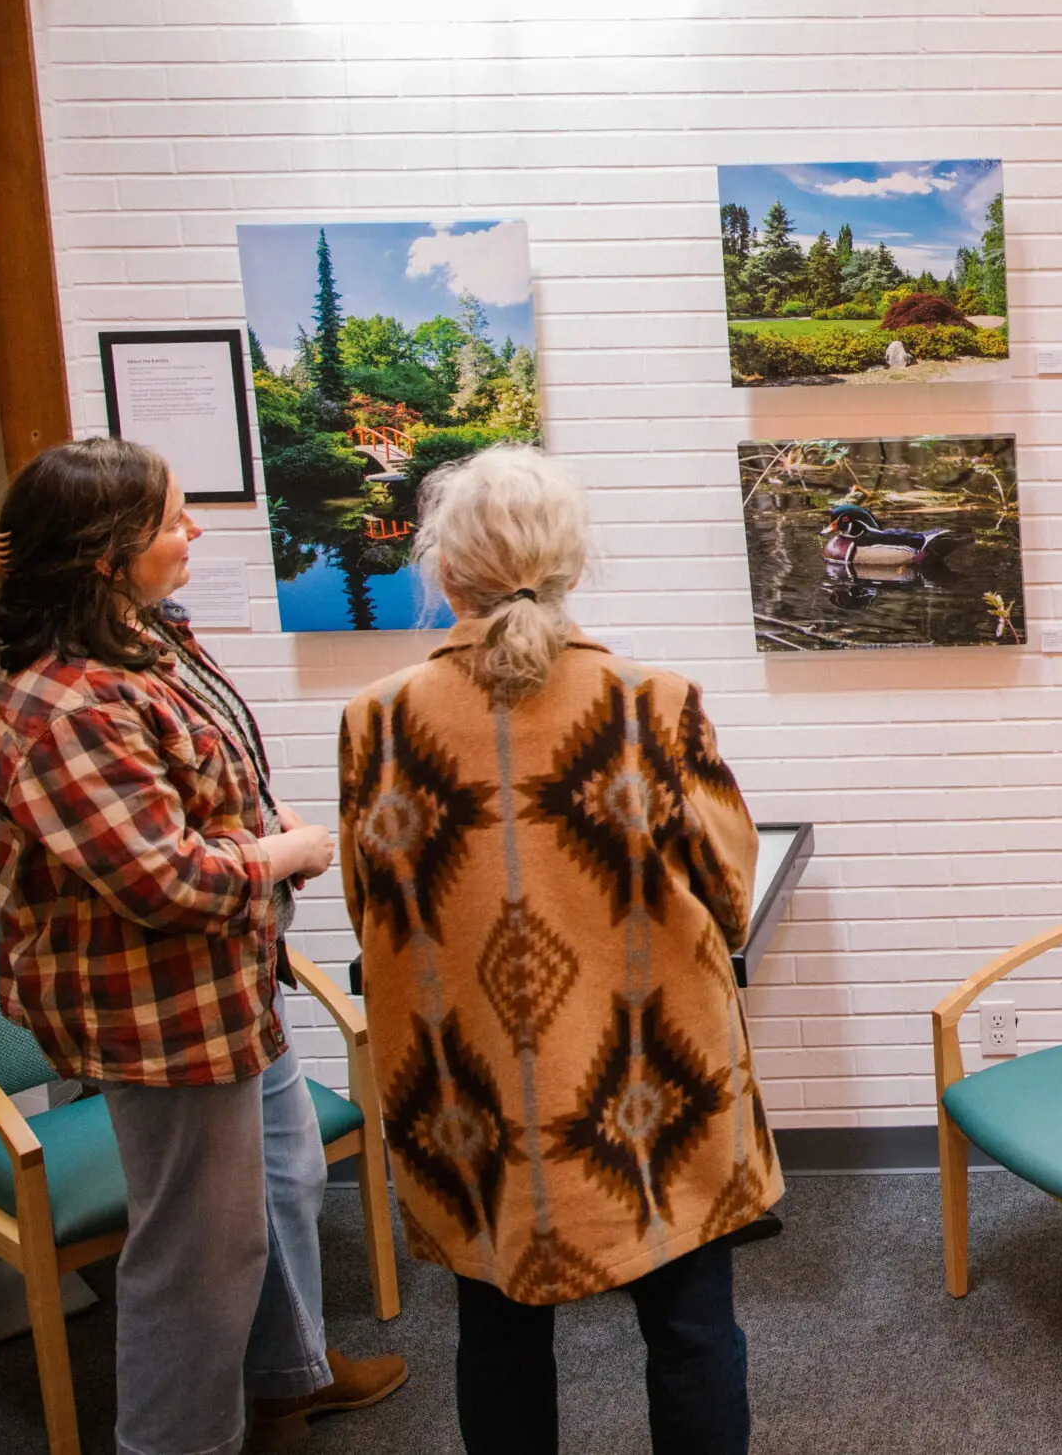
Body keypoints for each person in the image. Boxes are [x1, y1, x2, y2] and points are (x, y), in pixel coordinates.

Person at [339, 446, 778, 1455]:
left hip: (471, 1085)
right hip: (651, 1072)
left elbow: (372, 909)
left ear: (443, 573)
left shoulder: (378, 720)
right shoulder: (650, 703)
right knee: (691, 1328)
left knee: (495, 1330)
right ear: (572, 568)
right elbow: (728, 892)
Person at [0, 438, 405, 1455]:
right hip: (160, 1016)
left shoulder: (146, 635)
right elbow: (162, 881)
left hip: (232, 985)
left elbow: (206, 774)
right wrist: (281, 850)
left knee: (288, 1182)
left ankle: (286, 1380)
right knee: (193, 1259)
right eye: (174, 519)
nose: (195, 530)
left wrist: (261, 820)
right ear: (106, 550)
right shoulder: (60, 703)